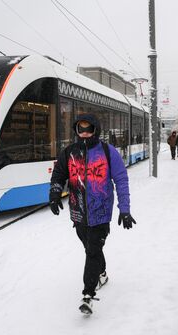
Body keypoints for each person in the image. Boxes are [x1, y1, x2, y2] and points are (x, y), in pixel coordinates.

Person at [49, 114, 136, 315]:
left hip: (101, 212)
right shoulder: (69, 152)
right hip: (78, 213)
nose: (85, 133)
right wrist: (54, 194)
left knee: (93, 250)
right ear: (77, 131)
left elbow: (121, 180)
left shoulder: (108, 152)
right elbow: (59, 174)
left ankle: (88, 294)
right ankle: (102, 273)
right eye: (81, 129)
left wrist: (125, 209)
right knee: (91, 248)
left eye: (89, 129)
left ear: (95, 129)